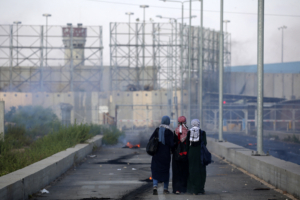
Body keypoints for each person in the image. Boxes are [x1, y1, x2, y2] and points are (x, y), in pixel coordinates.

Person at [149, 116, 174, 195]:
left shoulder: (157, 130)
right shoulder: (169, 132)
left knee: (155, 169)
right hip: (166, 155)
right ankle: (165, 189)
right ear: (168, 122)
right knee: (166, 171)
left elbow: (151, 140)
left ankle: (155, 186)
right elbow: (172, 144)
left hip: (157, 154)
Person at [187, 119, 207, 195]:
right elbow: (205, 143)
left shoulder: (189, 132)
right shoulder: (202, 133)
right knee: (201, 171)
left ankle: (193, 189)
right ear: (199, 124)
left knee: (192, 170)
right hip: (200, 154)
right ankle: (201, 189)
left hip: (191, 154)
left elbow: (187, 145)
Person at [172, 116, 190, 194]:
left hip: (176, 155)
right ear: (185, 122)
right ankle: (184, 188)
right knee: (185, 171)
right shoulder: (188, 131)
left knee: (176, 172)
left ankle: (177, 189)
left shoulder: (175, 131)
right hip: (186, 155)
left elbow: (173, 143)